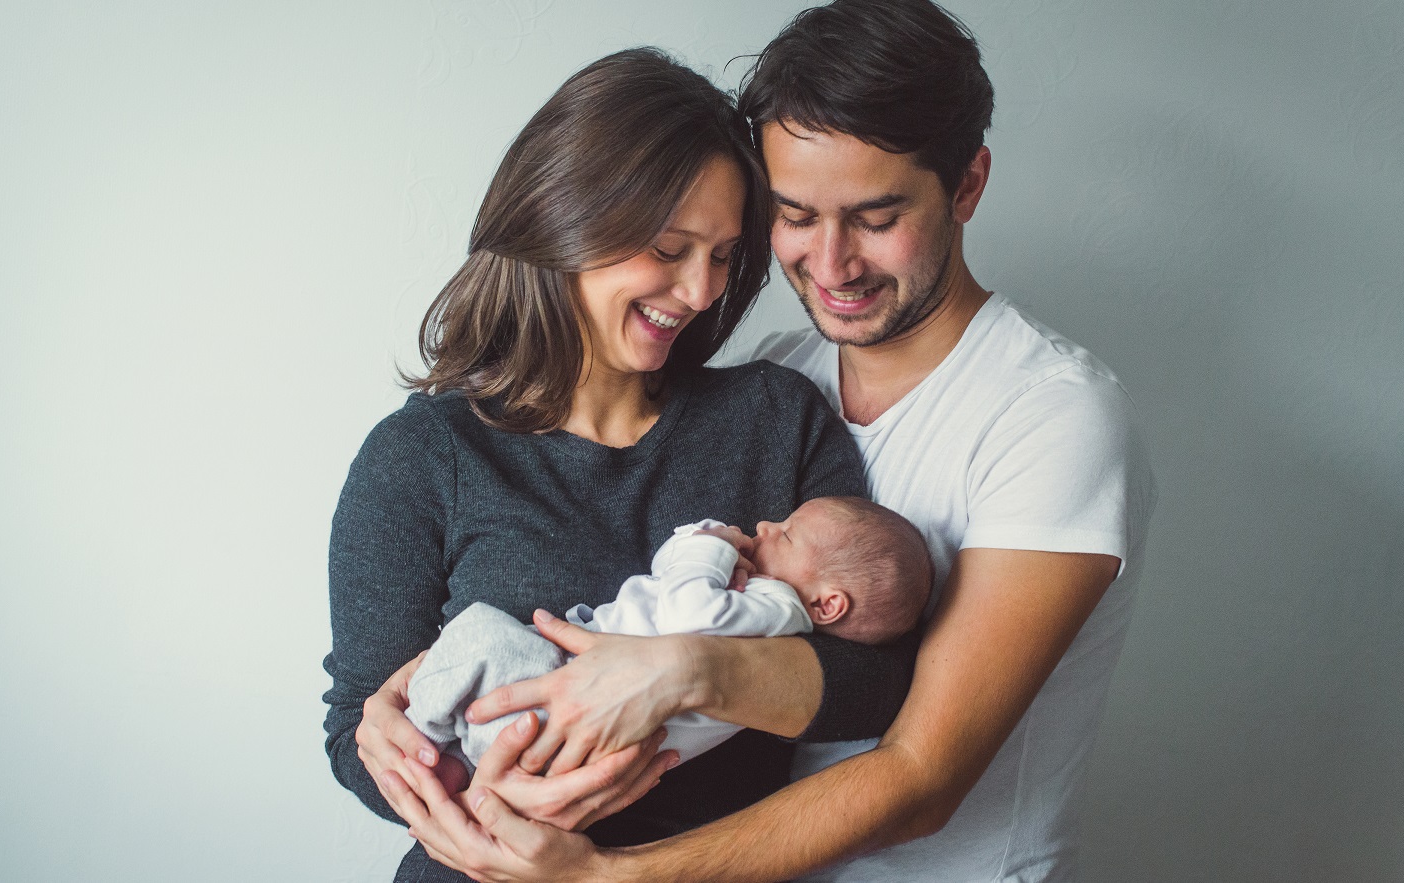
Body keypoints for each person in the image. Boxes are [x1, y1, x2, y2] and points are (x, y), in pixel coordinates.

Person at [370, 1, 1156, 881]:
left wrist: (608, 862)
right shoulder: (780, 377)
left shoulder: (1051, 415)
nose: (831, 263)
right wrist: (400, 730)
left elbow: (918, 771)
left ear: (966, 185)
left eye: (875, 216)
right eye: (794, 215)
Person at [320, 46, 921, 883]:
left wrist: (683, 673)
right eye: (670, 248)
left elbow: (875, 680)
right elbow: (355, 726)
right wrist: (460, 785)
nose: (701, 291)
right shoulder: (421, 456)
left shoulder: (773, 418)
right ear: (562, 219)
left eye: (722, 255)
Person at [405, 498, 933, 769]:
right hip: (558, 719)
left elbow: (685, 615)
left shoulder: (779, 610)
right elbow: (667, 572)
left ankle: (423, 734)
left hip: (564, 700)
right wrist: (704, 543)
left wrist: (711, 548)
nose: (766, 527)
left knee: (480, 629)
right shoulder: (756, 602)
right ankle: (443, 757)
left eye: (788, 534)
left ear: (827, 604)